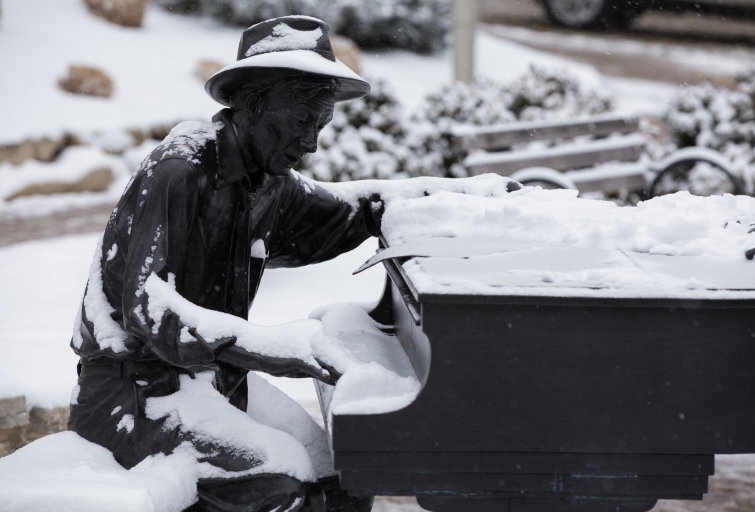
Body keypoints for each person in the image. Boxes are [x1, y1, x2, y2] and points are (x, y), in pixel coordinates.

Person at [68, 15, 516, 512]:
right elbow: (150, 312)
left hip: (214, 382)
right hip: (132, 393)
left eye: (320, 125)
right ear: (252, 102)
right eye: (302, 121)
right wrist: (277, 349)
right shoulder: (180, 170)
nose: (311, 143)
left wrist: (465, 197)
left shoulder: (267, 181)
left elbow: (352, 211)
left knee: (345, 471)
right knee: (284, 490)